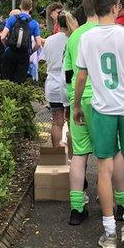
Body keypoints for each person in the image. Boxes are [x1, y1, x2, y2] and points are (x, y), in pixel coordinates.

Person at [73, 0, 124, 248]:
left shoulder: (87, 37)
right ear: (116, 7)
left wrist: (75, 105)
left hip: (101, 107)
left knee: (103, 168)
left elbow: (81, 76)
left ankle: (108, 231)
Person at [63, 0, 124, 226]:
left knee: (79, 154)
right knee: (114, 151)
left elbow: (70, 74)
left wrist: (75, 101)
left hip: (80, 98)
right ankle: (121, 203)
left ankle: (76, 208)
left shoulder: (74, 37)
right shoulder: (114, 33)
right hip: (108, 99)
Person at [44, 11, 76, 148]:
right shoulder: (73, 39)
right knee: (72, 124)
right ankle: (73, 157)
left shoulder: (50, 40)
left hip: (53, 84)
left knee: (57, 122)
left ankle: (57, 154)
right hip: (69, 83)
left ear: (57, 23)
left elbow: (45, 60)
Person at [0, 0, 41, 82]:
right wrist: (31, 51)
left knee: (6, 80)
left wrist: (7, 46)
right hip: (24, 55)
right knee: (19, 81)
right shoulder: (34, 23)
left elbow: (3, 37)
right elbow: (38, 43)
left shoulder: (12, 19)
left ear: (20, 6)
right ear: (30, 8)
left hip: (10, 52)